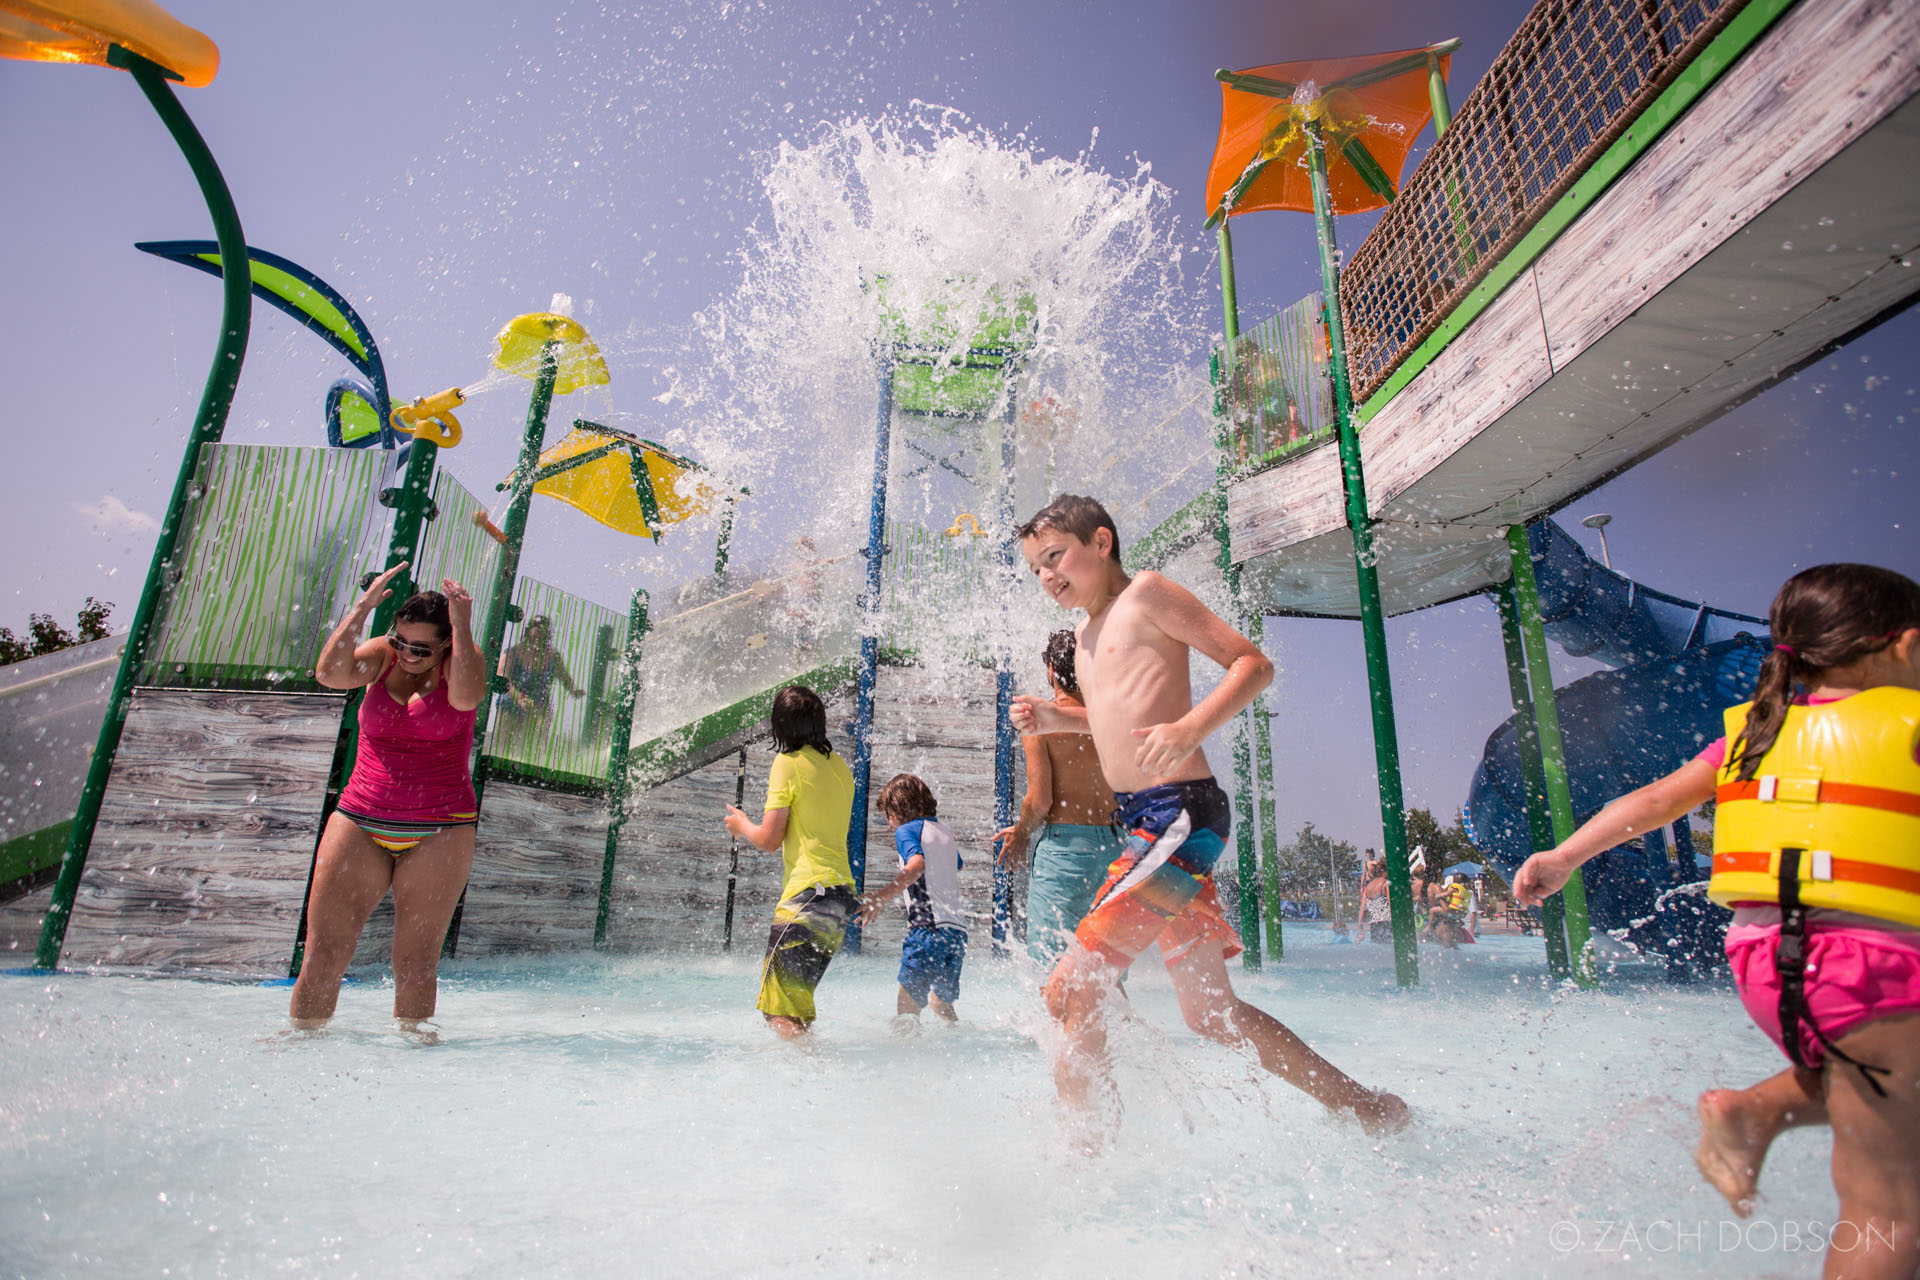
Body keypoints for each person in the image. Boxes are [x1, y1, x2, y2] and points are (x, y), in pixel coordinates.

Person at [1513, 564, 1920, 1276]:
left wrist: (1565, 854)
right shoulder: (1907, 725)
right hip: (1871, 969)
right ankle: (1759, 1113)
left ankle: (1758, 1110)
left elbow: (1651, 803)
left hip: (1767, 964)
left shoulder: (1753, 734)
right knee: (1887, 1209)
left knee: (1875, 1082)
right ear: (1908, 648)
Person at [1009, 494, 1407, 1140]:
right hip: (1148, 824)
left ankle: (1085, 1163)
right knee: (1211, 1012)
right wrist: (1057, 718)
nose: (1048, 576)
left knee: (1070, 988)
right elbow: (1113, 718)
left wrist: (1192, 725)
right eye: (1036, 569)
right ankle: (1363, 1106)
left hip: (1176, 816)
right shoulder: (1083, 636)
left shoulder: (1148, 595)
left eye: (1056, 557)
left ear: (1102, 543)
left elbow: (1252, 665)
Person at [290, 562, 485, 1037]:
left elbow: (463, 699)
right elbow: (330, 674)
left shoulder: (463, 662)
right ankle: (300, 1043)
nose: (407, 654)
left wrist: (462, 626)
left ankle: (413, 1057)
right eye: (400, 641)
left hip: (439, 830)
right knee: (323, 950)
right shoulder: (384, 657)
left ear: (444, 646)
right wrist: (363, 608)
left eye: (421, 648)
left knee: (415, 960)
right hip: (359, 818)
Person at [724, 685, 858, 1039]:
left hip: (808, 895)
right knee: (795, 1010)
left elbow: (769, 839)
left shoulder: (787, 763)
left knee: (777, 1012)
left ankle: (816, 1072)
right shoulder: (841, 768)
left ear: (778, 727)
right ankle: (807, 1080)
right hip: (840, 899)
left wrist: (741, 825)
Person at [994, 629, 1121, 969]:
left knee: (1053, 967)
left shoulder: (1043, 721)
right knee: (1105, 972)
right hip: (1115, 848)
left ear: (1050, 670)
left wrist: (1021, 832)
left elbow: (1040, 802)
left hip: (1066, 851)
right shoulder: (1110, 717)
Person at [859, 773, 968, 1027]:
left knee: (907, 1011)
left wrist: (881, 897)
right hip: (956, 934)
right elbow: (956, 865)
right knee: (941, 1005)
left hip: (927, 932)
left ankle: (903, 1059)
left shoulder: (907, 830)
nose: (889, 825)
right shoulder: (944, 832)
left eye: (889, 817)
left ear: (900, 809)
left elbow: (917, 865)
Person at [495, 613, 582, 750]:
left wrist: (573, 690)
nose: (539, 633)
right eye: (536, 628)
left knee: (531, 748)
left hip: (538, 707)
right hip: (511, 702)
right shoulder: (513, 652)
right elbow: (501, 676)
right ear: (529, 630)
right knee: (502, 746)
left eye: (543, 630)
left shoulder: (553, 657)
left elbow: (564, 677)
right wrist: (518, 697)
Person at [1359, 856, 1393, 944]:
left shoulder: (1368, 887)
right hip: (1387, 922)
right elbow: (1391, 904)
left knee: (1378, 952)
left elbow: (1362, 909)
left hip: (1374, 925)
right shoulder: (1386, 883)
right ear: (1384, 871)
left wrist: (1360, 929)